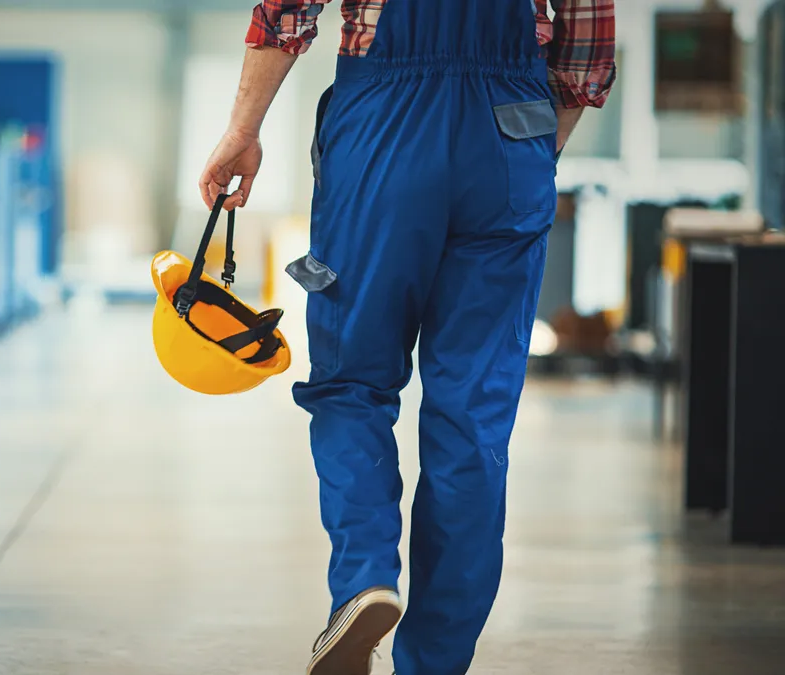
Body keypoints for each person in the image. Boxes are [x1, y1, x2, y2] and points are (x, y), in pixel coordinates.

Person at [197, 1, 616, 674]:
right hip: (510, 135)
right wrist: (525, 147)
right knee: (473, 419)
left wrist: (243, 129)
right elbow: (586, 57)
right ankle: (436, 661)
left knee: (351, 382)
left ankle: (364, 576)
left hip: (383, 128)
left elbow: (286, 13)